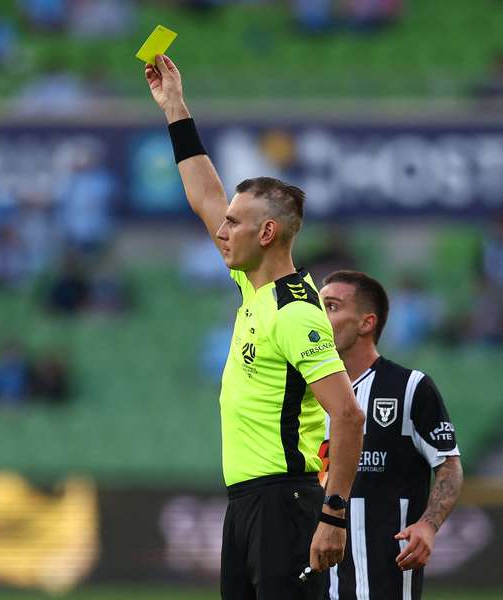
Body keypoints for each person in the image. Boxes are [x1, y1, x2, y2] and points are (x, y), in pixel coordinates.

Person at [144, 54, 365, 599]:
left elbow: (348, 413)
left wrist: (333, 516)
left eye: (234, 224)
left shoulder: (294, 312)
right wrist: (175, 106)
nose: (221, 230)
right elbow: (204, 194)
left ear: (267, 233)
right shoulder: (255, 287)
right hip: (248, 503)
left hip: (286, 505)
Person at [319, 270, 462, 600]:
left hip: (386, 578)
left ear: (366, 323)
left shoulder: (410, 388)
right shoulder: (307, 394)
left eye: (331, 306)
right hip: (321, 578)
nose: (319, 318)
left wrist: (428, 524)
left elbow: (449, 465)